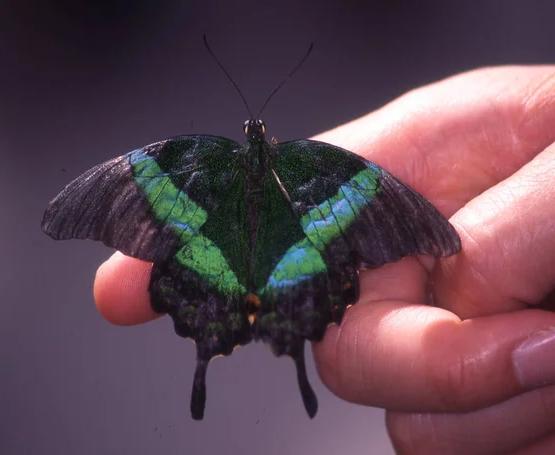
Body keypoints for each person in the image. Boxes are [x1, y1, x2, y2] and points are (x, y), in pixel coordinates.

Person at [92, 66, 555, 454]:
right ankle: (294, 371)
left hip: (217, 253)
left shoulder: (193, 164)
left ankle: (208, 375)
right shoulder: (317, 169)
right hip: (286, 254)